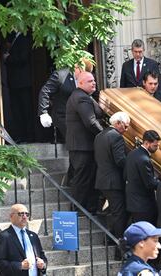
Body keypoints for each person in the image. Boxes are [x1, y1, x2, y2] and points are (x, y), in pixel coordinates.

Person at [66, 71, 103, 214]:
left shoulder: (83, 96)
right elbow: (91, 122)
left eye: (94, 80)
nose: (93, 83)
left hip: (81, 146)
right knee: (82, 180)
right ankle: (78, 210)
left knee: (85, 178)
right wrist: (105, 134)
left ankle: (87, 208)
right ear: (80, 83)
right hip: (83, 147)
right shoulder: (82, 98)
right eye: (89, 81)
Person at [94, 112, 130, 241]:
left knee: (114, 211)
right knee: (119, 213)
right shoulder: (116, 137)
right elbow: (120, 160)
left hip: (102, 180)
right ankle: (117, 240)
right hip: (113, 181)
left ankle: (110, 238)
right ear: (118, 123)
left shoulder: (99, 136)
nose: (126, 130)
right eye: (125, 126)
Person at [38, 58, 93, 142]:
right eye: (82, 73)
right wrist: (43, 113)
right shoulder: (60, 76)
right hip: (63, 116)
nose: (84, 76)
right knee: (77, 138)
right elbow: (45, 91)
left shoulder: (86, 78)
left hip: (81, 116)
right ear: (77, 68)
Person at [0, 204, 47, 276]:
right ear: (11, 216)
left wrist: (43, 265)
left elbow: (42, 256)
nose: (24, 217)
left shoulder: (33, 236)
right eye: (21, 214)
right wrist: (20, 265)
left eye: (27, 214)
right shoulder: (3, 237)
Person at [125, 130, 161, 225]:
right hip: (143, 204)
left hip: (133, 201)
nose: (157, 148)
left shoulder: (132, 154)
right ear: (146, 143)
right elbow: (149, 183)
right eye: (155, 146)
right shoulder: (144, 159)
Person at [4, 32, 33, 143]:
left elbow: (23, 58)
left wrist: (8, 58)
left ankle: (28, 136)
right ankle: (20, 135)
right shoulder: (13, 37)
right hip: (15, 82)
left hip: (23, 82)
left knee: (25, 109)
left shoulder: (25, 38)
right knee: (16, 110)